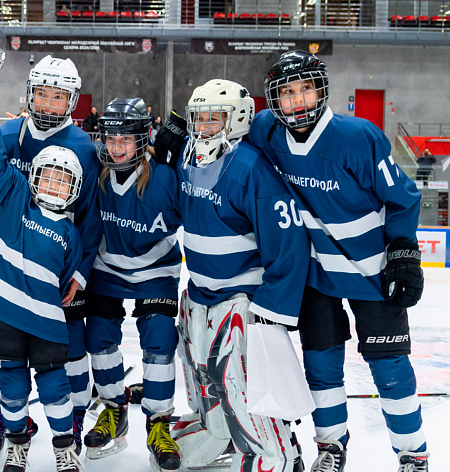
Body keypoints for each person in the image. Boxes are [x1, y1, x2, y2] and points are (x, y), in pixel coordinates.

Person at [247, 50, 427, 472]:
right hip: (317, 276)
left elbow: (402, 198)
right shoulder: (266, 131)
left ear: (321, 89)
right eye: (287, 93)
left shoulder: (358, 137)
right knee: (321, 369)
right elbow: (228, 143)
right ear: (274, 100)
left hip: (372, 274)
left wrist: (403, 253)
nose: (298, 101)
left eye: (306, 89)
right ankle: (331, 448)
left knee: (391, 371)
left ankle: (412, 454)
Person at [171, 79, 308, 472]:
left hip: (240, 299)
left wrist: (272, 308)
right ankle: (219, 435)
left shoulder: (252, 168)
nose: (204, 127)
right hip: (198, 292)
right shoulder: (187, 156)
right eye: (199, 119)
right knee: (202, 378)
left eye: (215, 119)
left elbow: (288, 243)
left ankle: (275, 455)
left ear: (238, 120)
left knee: (240, 384)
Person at [0, 55, 102, 464]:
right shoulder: (6, 130)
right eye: (42, 94)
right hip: (13, 264)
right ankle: (3, 418)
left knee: (70, 355)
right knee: (6, 354)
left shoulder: (85, 148)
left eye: (57, 97)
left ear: (72, 102)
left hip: (58, 269)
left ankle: (73, 421)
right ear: (29, 94)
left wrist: (80, 273)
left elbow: (93, 218)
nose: (48, 104)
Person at [82, 97, 182, 471]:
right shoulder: (95, 173)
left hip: (155, 271)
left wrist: (185, 149)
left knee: (159, 339)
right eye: (110, 138)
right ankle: (113, 409)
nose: (117, 147)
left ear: (143, 138)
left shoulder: (166, 176)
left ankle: (159, 423)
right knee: (99, 338)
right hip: (107, 268)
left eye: (126, 139)